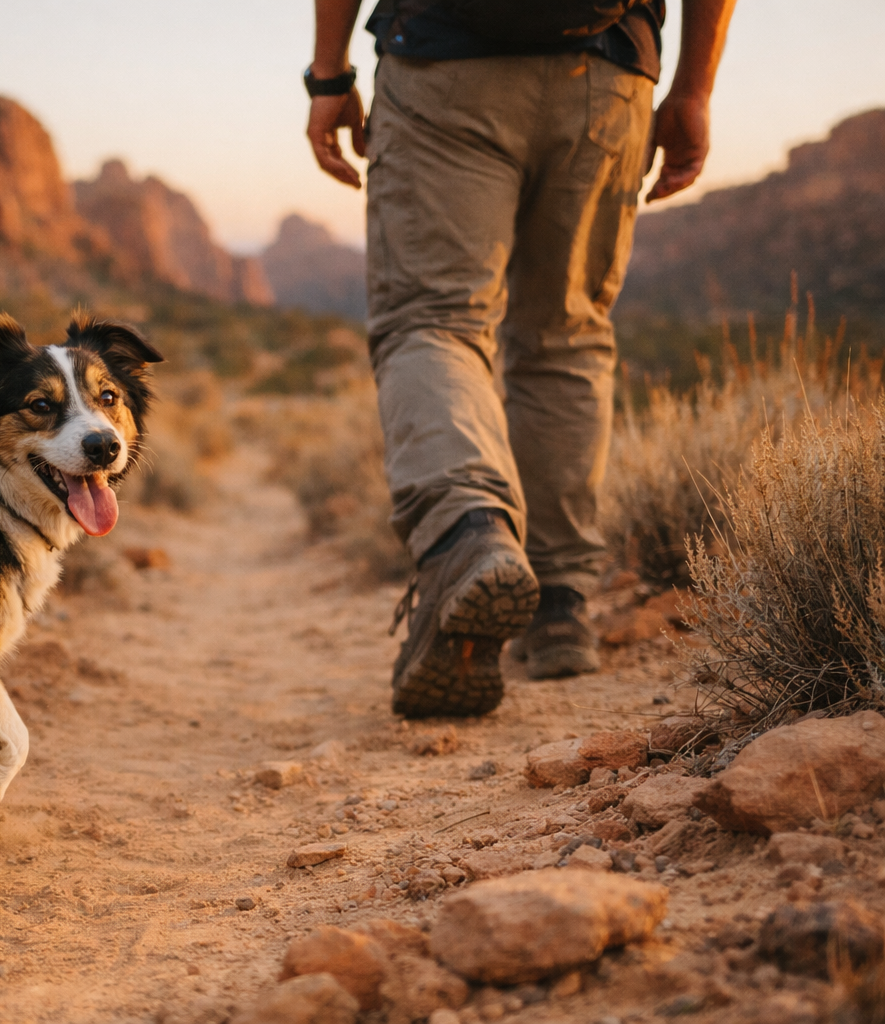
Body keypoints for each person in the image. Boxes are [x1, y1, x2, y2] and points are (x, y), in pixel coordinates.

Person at [304, 0, 736, 717]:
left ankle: (468, 532)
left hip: (441, 65)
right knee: (565, 337)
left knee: (432, 323)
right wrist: (692, 91)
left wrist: (329, 78)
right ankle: (559, 605)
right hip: (606, 71)